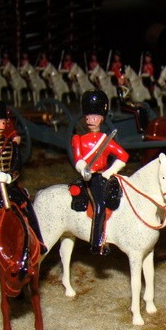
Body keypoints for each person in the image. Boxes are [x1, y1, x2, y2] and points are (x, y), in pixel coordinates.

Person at [0, 100, 46, 267]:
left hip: (9, 184)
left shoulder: (12, 145)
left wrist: (9, 177)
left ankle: (39, 241)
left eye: (1, 122)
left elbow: (17, 168)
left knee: (27, 206)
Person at [70, 90, 129, 256]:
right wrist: (83, 169)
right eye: (88, 117)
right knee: (100, 204)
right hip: (91, 178)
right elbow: (78, 159)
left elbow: (124, 156)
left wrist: (110, 172)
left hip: (104, 175)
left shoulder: (105, 140)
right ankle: (97, 243)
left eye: (95, 117)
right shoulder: (78, 139)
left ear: (102, 118)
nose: (91, 120)